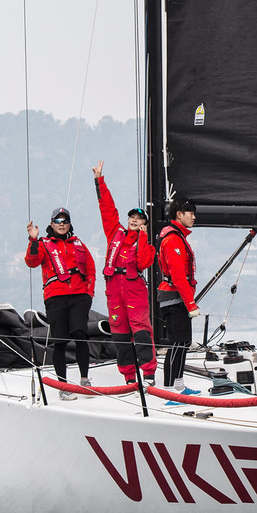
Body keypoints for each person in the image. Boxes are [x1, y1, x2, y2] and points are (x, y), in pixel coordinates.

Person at [92, 161, 156, 385]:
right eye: (132, 217)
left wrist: (142, 238)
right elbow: (107, 209)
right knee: (120, 336)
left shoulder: (146, 244)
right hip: (114, 291)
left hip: (134, 291)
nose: (134, 220)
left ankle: (148, 374)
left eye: (139, 219)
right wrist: (100, 180)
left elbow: (143, 263)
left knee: (141, 334)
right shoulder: (114, 233)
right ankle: (129, 377)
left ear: (144, 224)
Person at [25, 207, 96, 400]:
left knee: (81, 335)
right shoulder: (44, 244)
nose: (62, 223)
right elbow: (31, 262)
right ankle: (63, 386)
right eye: (58, 220)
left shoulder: (78, 243)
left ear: (70, 224)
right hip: (55, 296)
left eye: (65, 220)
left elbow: (91, 269)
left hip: (80, 295)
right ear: (51, 224)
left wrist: (89, 293)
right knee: (60, 341)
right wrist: (33, 239)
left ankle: (85, 380)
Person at [156, 197, 200, 398]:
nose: (194, 216)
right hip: (174, 299)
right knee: (176, 344)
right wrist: (191, 304)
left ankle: (179, 386)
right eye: (190, 212)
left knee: (183, 342)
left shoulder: (179, 237)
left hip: (180, 298)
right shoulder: (173, 239)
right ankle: (168, 392)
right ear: (179, 214)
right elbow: (178, 275)